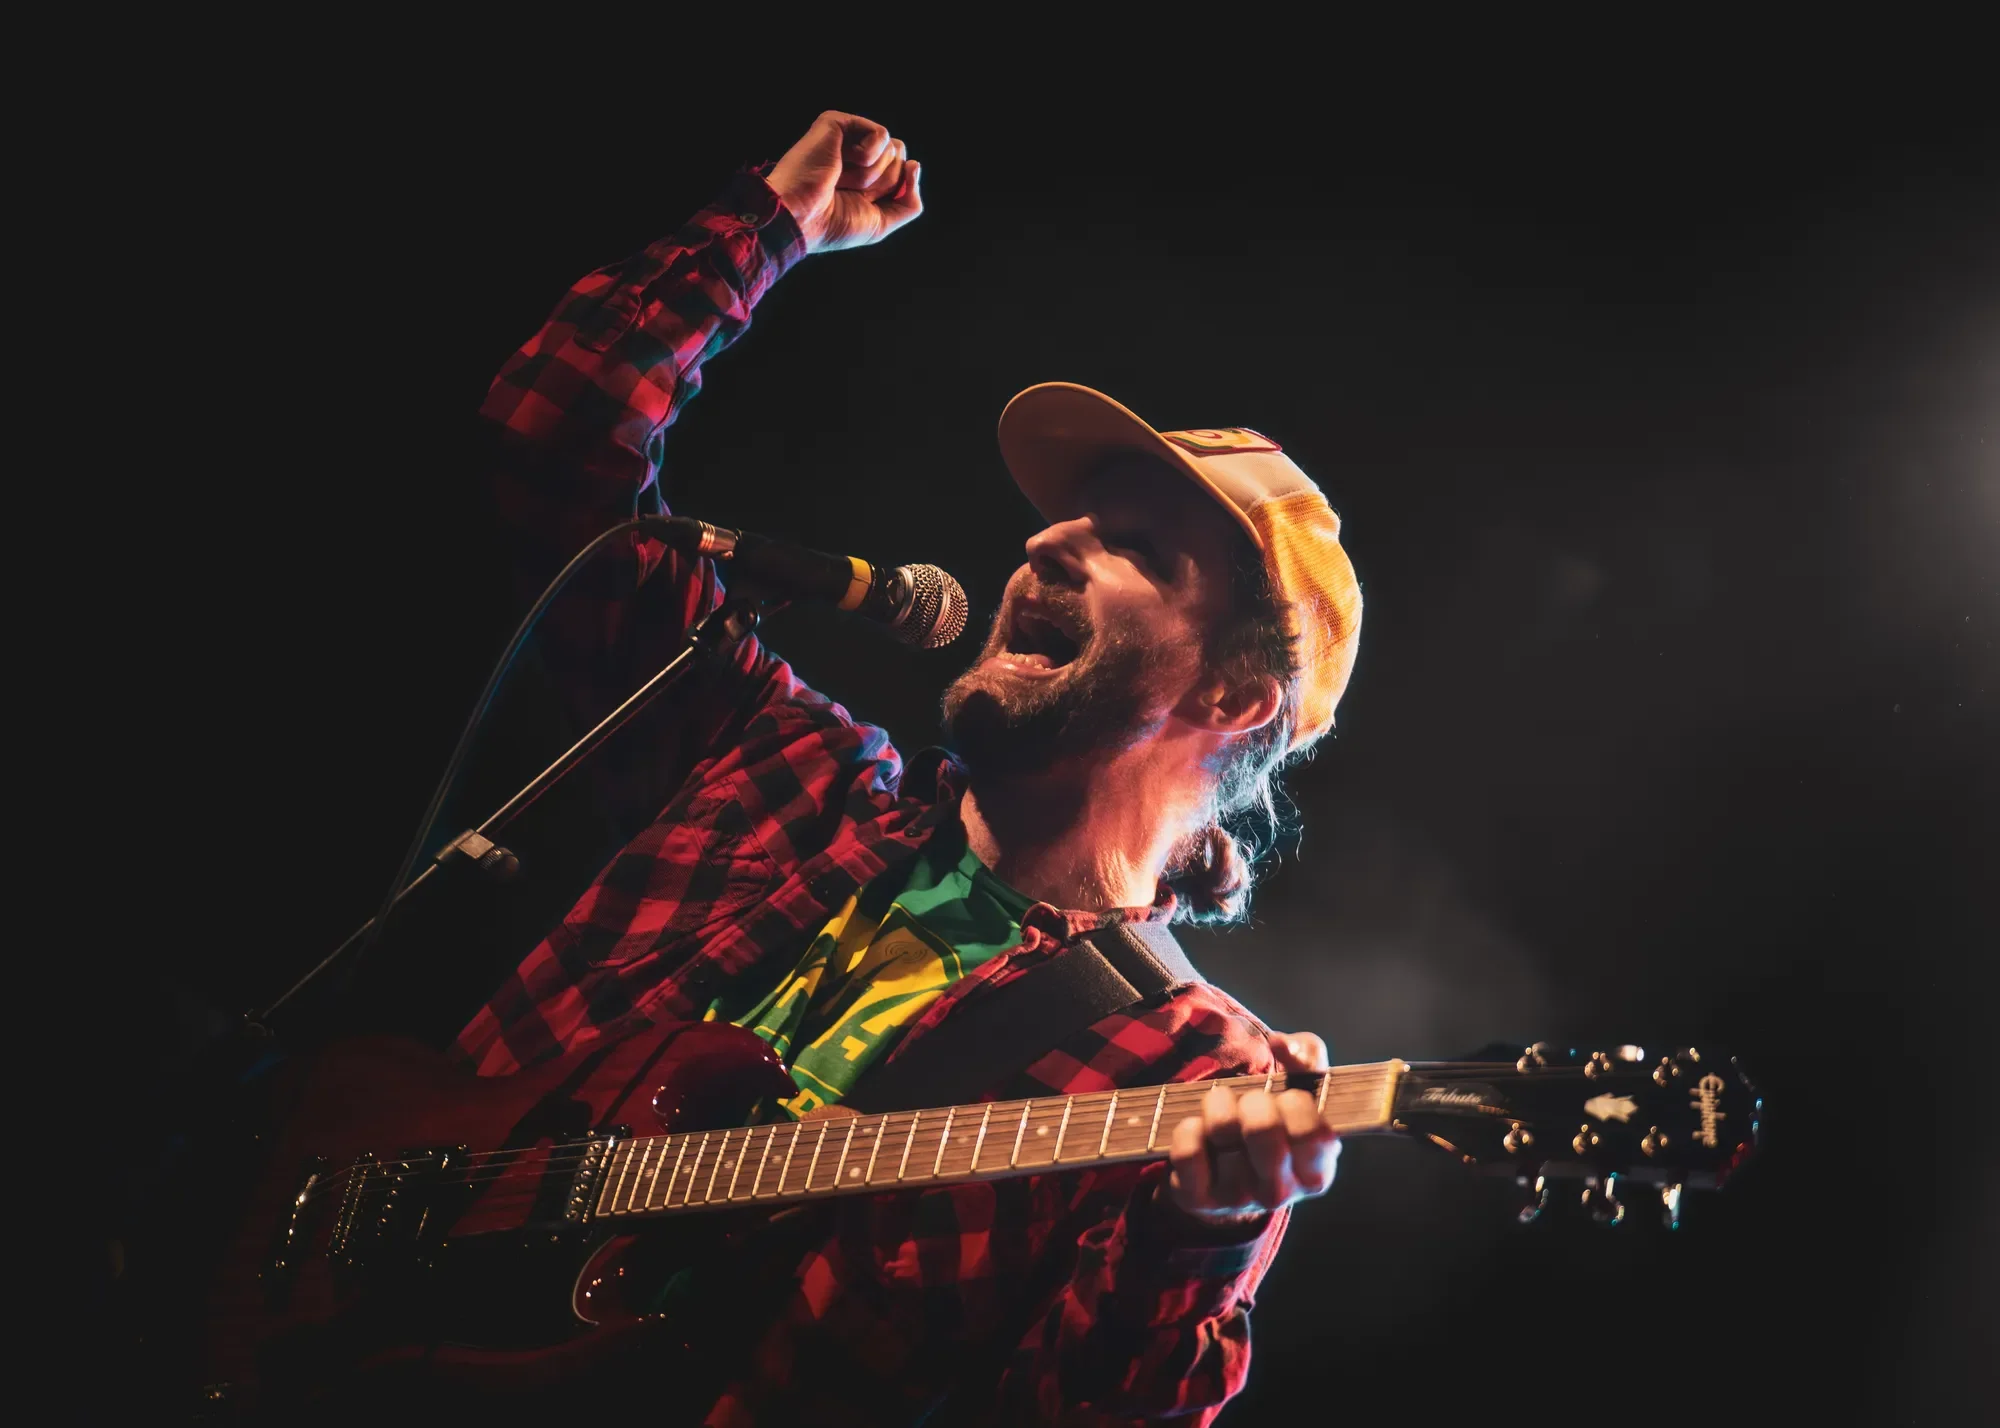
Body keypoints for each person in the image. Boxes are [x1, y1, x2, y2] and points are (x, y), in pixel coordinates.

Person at [453, 110, 1363, 1425]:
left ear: (1232, 694)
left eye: (1134, 548)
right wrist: (770, 225)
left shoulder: (1187, 1070)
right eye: (1068, 517)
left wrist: (1203, 1229)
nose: (1048, 542)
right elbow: (554, 448)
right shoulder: (782, 773)